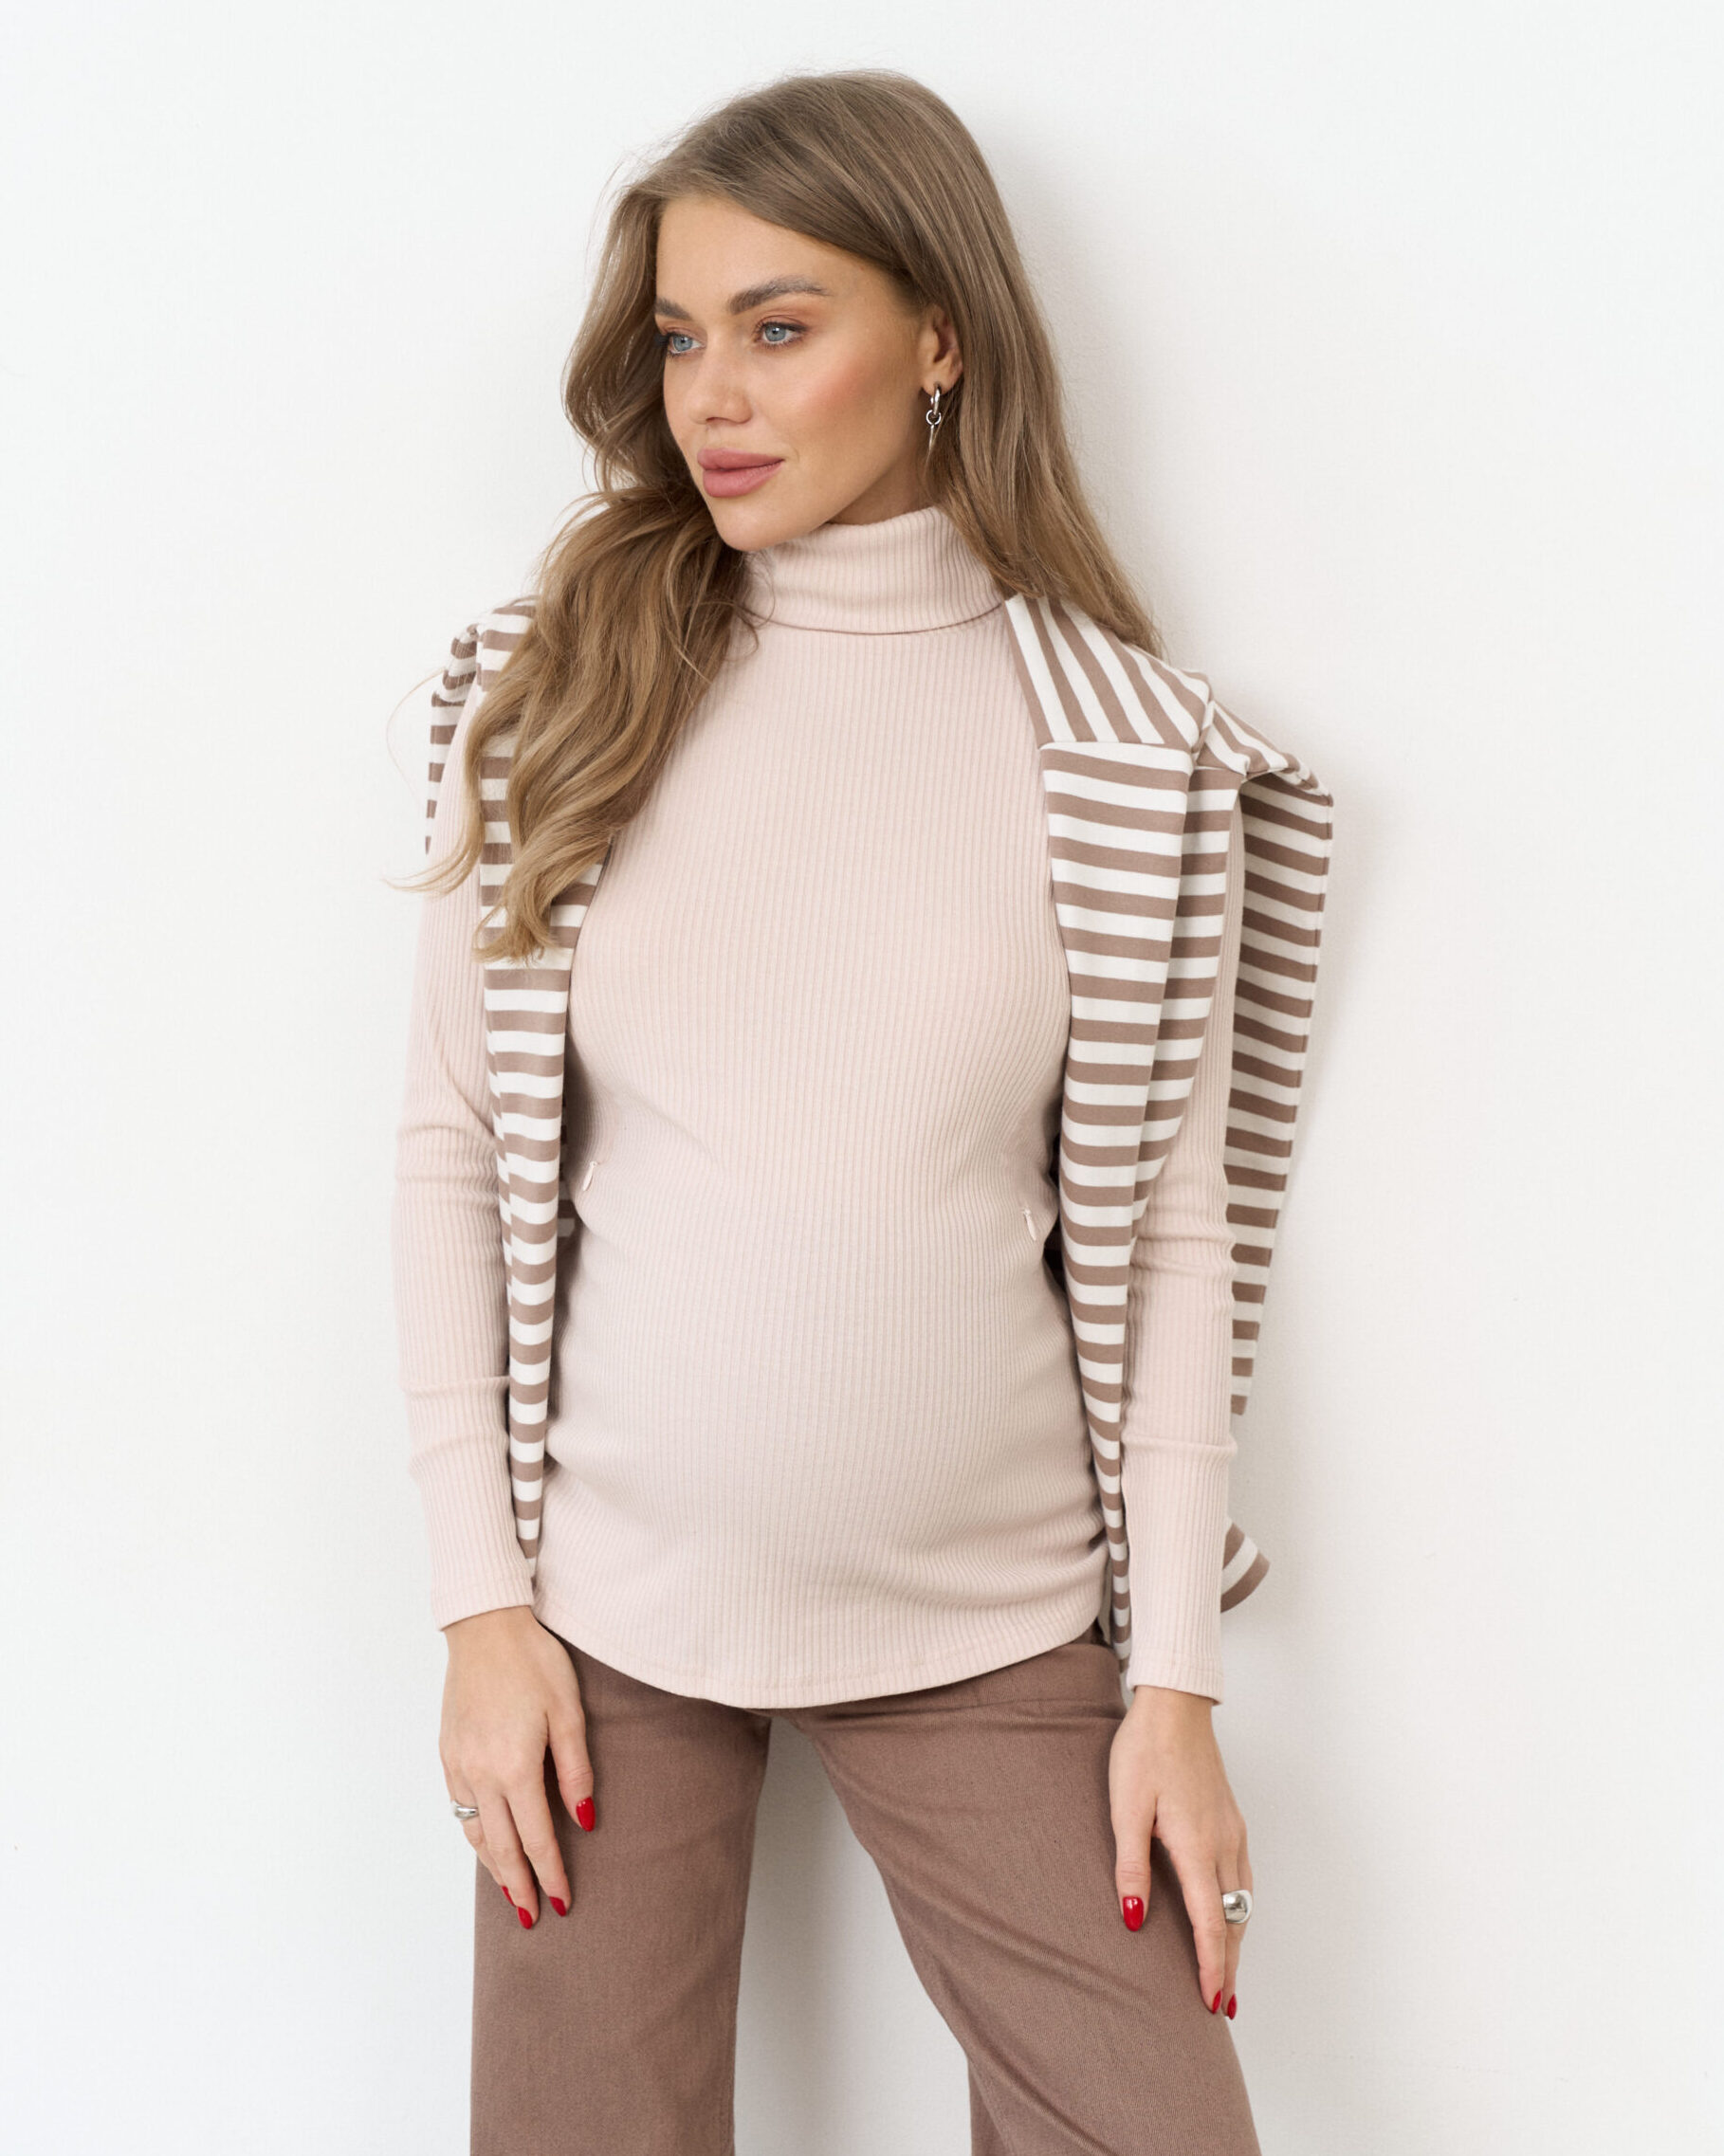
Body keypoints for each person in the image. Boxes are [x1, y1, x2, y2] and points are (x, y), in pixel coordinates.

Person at [392, 65, 1291, 2156]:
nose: (713, 396)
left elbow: (1176, 1231)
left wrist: (1172, 1681)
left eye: (779, 327)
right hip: (603, 1628)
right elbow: (449, 1146)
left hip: (997, 1619)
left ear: (939, 338)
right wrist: (481, 1613)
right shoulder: (558, 684)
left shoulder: (1125, 752)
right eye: (679, 337)